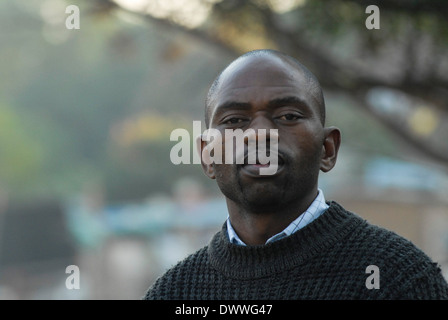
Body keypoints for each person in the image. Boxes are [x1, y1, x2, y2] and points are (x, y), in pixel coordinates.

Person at [143, 49, 448, 300]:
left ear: (327, 149)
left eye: (288, 116)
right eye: (235, 120)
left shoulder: (400, 279)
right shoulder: (173, 294)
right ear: (207, 156)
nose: (260, 134)